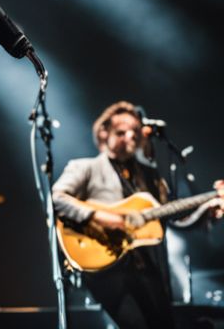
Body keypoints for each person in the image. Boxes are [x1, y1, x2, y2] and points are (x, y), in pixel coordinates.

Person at [52, 100, 222, 329]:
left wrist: (206, 211)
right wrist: (100, 217)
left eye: (134, 131)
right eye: (121, 132)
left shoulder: (149, 175)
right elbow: (57, 199)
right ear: (104, 134)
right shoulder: (85, 167)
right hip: (107, 270)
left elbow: (172, 219)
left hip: (146, 267)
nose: (130, 137)